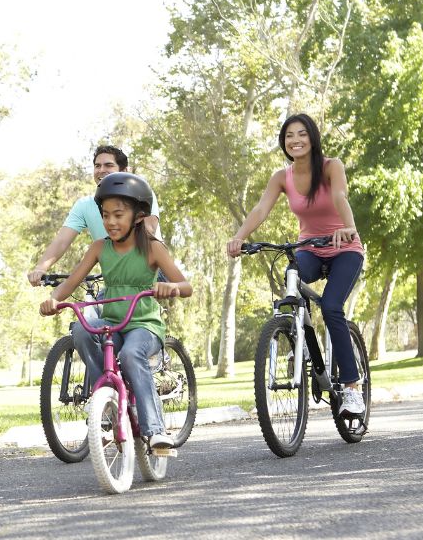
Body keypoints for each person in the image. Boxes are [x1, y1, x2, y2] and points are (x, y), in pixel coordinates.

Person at [226, 113, 366, 416]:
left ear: (312, 137)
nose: (296, 140)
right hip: (310, 249)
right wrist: (239, 238)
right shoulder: (281, 176)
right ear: (284, 142)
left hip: (345, 248)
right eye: (290, 136)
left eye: (302, 134)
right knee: (292, 273)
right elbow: (262, 208)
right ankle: (297, 337)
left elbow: (340, 195)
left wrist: (349, 226)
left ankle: (352, 389)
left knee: (331, 307)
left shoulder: (332, 166)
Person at [39, 172, 192, 448]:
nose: (110, 222)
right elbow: (72, 281)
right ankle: (106, 396)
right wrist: (54, 299)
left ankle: (155, 430)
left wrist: (171, 288)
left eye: (118, 215)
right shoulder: (99, 247)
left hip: (144, 325)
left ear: (138, 215)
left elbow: (186, 285)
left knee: (132, 354)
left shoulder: (153, 249)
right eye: (105, 215)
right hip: (112, 321)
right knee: (81, 332)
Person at [27, 145, 162, 286]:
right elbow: (62, 240)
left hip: (152, 270)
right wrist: (41, 267)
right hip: (115, 275)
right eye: (97, 166)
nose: (101, 170)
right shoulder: (84, 205)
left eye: (108, 165)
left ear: (124, 171)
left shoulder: (141, 194)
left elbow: (149, 230)